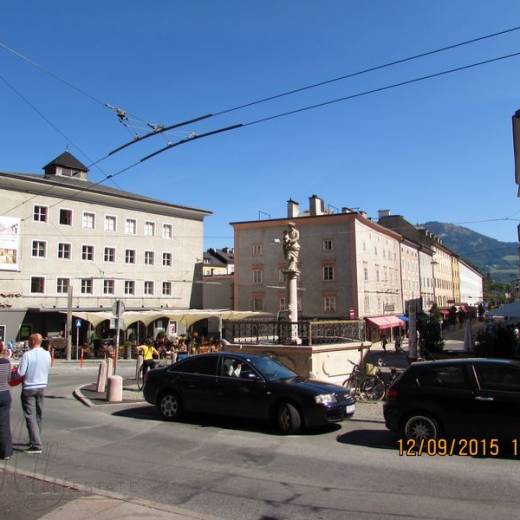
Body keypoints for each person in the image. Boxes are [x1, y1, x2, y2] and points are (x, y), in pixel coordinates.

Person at [17, 333, 51, 454]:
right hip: (42, 386)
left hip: (29, 387)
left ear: (32, 341)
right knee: (38, 414)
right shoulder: (47, 354)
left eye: (29, 340)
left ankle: (36, 445)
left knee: (30, 416)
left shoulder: (27, 355)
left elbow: (20, 373)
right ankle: (35, 438)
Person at [0, 342, 13, 460]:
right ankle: (6, 452)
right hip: (5, 393)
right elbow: (9, 378)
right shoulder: (7, 362)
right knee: (4, 424)